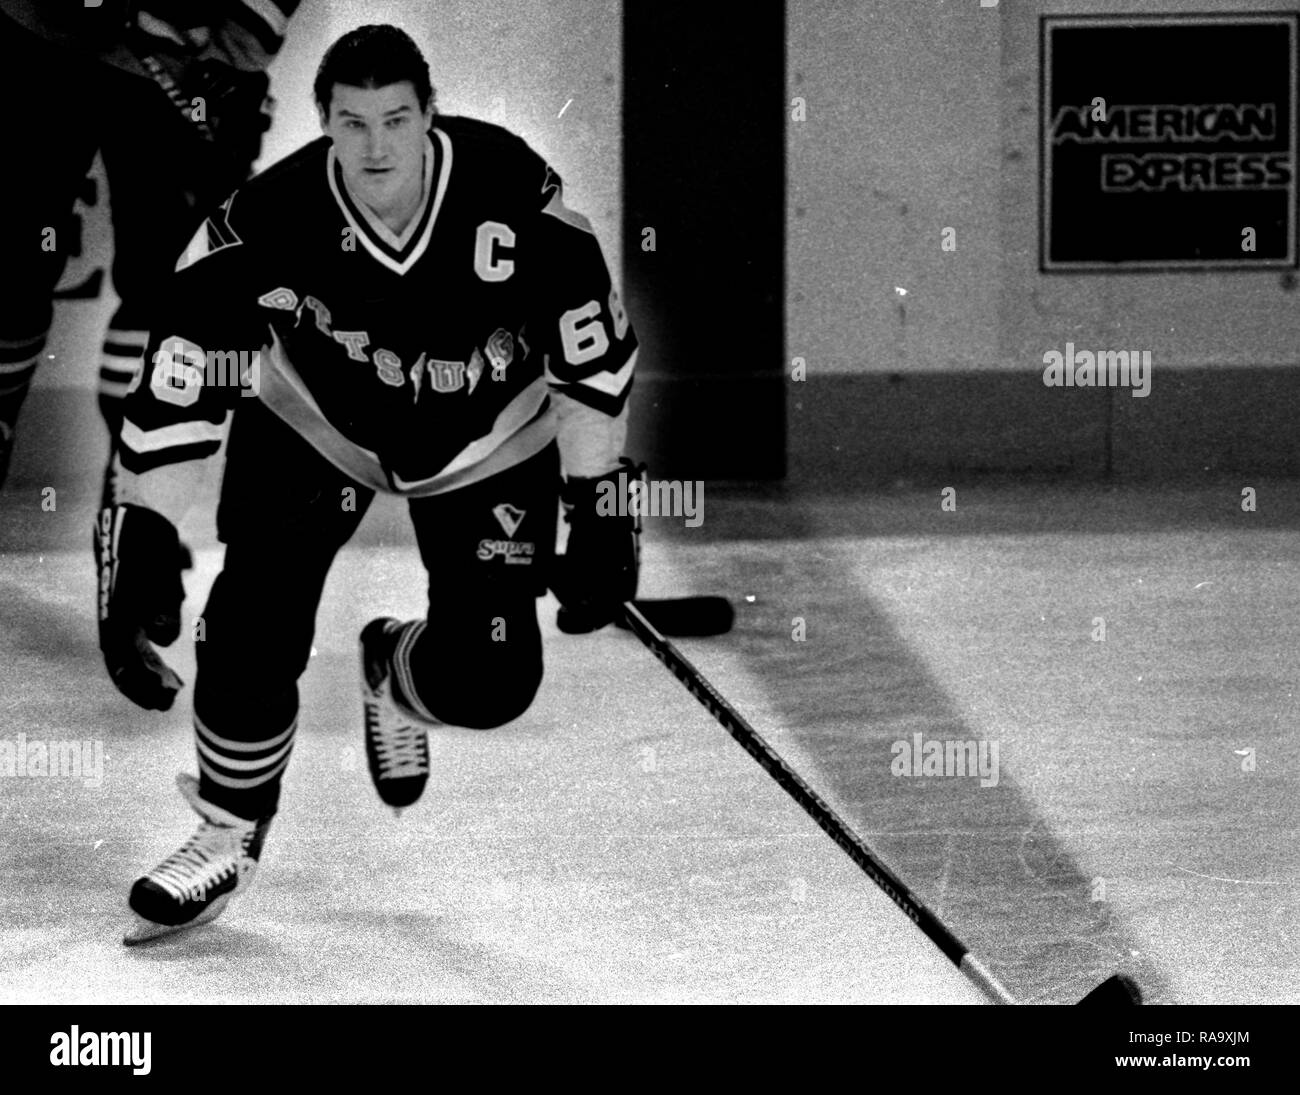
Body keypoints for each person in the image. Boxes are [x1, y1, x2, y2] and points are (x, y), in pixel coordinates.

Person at [94, 23, 642, 944]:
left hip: (489, 441)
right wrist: (143, 531)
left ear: (431, 114)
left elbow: (594, 357)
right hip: (316, 427)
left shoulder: (510, 193)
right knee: (250, 619)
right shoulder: (269, 221)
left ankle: (393, 664)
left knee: (493, 681)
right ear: (326, 124)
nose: (377, 145)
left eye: (396, 119)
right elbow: (179, 378)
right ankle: (227, 829)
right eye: (353, 123)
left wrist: (601, 504)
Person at [0, 0, 299, 488]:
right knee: (12, 269)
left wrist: (234, 44)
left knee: (170, 287)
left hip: (197, 57)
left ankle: (134, 489)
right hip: (45, 32)